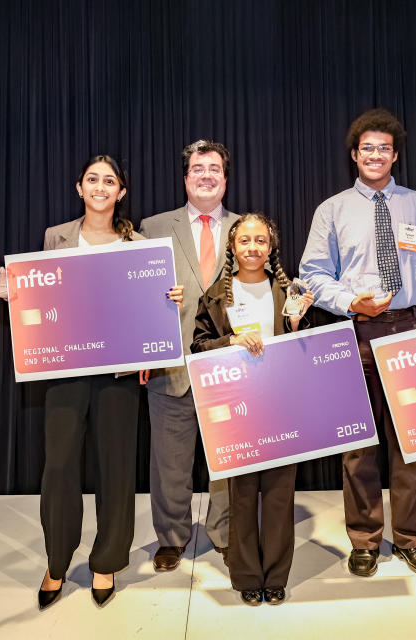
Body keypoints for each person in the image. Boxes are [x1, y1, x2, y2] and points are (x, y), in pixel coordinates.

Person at [0, 155, 185, 609]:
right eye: (93, 179)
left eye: (110, 181)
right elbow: (40, 292)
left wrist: (167, 302)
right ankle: (56, 561)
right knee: (60, 467)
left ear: (121, 191)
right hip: (66, 369)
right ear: (79, 187)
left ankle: (106, 560)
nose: (101, 187)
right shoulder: (56, 237)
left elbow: (147, 304)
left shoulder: (139, 242)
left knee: (115, 467)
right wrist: (5, 289)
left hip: (117, 375)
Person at [299, 109, 416, 579]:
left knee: (411, 441)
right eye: (367, 148)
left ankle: (410, 540)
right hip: (356, 332)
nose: (375, 155)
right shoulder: (332, 209)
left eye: (384, 148)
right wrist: (351, 303)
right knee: (359, 446)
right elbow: (313, 275)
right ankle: (364, 540)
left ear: (394, 154)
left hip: (414, 328)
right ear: (354, 155)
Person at [192, 214, 313, 606]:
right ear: (232, 247)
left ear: (271, 247)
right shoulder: (214, 296)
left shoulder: (290, 290)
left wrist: (296, 324)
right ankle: (245, 576)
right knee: (242, 496)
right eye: (244, 240)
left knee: (279, 495)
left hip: (282, 404)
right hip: (238, 407)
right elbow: (198, 348)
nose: (252, 248)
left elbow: (310, 351)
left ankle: (276, 576)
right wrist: (232, 340)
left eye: (261, 240)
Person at [139, 140, 238, 571]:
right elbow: (133, 293)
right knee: (169, 464)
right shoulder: (154, 226)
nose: (206, 176)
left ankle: (226, 534)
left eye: (214, 168)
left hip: (232, 365)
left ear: (225, 178)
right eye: (198, 169)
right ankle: (171, 539)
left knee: (229, 461)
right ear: (185, 178)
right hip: (171, 363)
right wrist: (153, 298)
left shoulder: (245, 228)